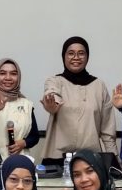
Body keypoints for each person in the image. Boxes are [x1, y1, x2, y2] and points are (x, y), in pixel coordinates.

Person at [41, 36, 117, 166]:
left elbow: (107, 131)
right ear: (64, 56)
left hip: (90, 159)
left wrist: (115, 162)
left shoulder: (99, 86)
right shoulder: (55, 81)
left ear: (87, 57)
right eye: (71, 53)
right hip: (57, 158)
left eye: (81, 53)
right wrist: (52, 104)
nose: (76, 57)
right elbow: (52, 93)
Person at [0, 58, 39, 159]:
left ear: (18, 77)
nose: (8, 78)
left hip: (19, 163)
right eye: (2, 73)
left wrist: (23, 143)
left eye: (13, 74)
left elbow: (34, 136)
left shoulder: (27, 104)